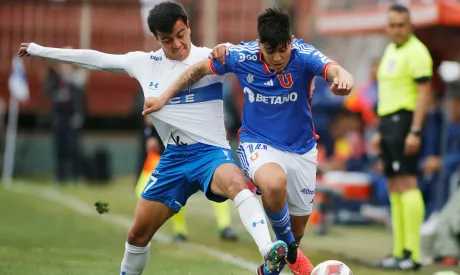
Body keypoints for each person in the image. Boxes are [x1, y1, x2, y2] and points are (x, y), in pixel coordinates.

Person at [18, 1, 288, 274]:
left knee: (236, 183)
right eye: (167, 40)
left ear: (188, 26)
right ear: (157, 39)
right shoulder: (144, 63)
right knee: (137, 235)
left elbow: (264, 53)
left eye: (181, 35)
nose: (177, 44)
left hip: (211, 154)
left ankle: (268, 250)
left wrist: (232, 50)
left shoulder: (212, 57)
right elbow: (97, 59)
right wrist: (40, 51)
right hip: (172, 158)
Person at [142, 8, 354, 275]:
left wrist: (343, 80)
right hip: (258, 144)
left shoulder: (305, 54)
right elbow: (197, 70)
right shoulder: (242, 56)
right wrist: (163, 97)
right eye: (269, 50)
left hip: (302, 150)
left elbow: (336, 70)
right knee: (274, 185)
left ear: (291, 39)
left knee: (297, 232)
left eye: (282, 49)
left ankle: (270, 268)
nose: (277, 57)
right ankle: (291, 252)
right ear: (259, 43)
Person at [370, 4, 433, 271]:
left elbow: (424, 94)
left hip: (405, 121)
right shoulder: (390, 51)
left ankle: (413, 254)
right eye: (392, 25)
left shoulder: (417, 52)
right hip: (388, 123)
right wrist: (379, 130)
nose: (396, 30)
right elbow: (387, 93)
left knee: (407, 182)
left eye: (401, 25)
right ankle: (399, 251)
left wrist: (415, 130)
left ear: (410, 26)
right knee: (394, 185)